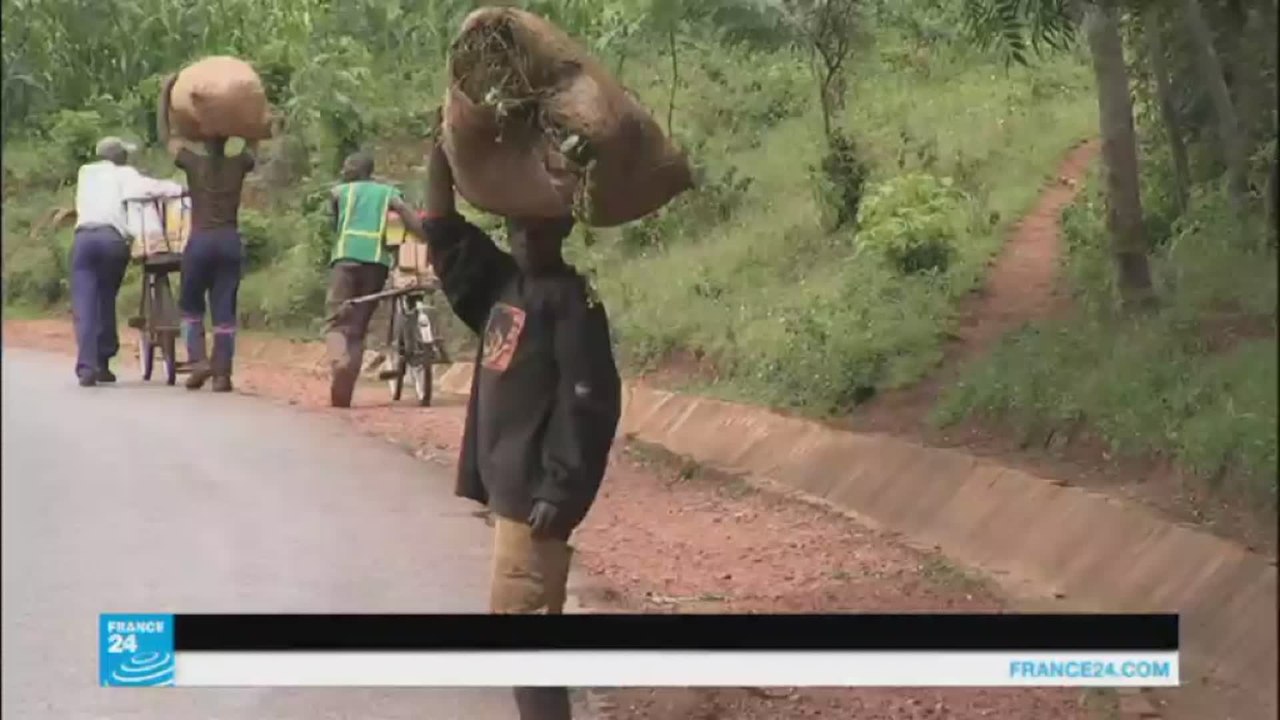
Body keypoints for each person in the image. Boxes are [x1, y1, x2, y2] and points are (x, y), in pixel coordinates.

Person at [421, 140, 622, 720]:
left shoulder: (572, 303)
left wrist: (560, 489)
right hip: (511, 494)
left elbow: (589, 403)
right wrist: (442, 150)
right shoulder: (502, 287)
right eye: (517, 230)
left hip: (536, 497)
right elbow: (442, 229)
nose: (526, 241)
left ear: (561, 232)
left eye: (540, 231)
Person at [159, 75, 256, 393]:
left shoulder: (193, 163)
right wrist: (249, 110)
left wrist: (164, 96)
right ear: (229, 140)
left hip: (200, 241)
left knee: (190, 306)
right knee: (224, 309)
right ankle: (222, 374)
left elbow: (167, 138)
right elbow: (255, 139)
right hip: (229, 240)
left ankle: (198, 360)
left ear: (202, 140)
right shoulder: (239, 164)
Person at [324, 151, 428, 408]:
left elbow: (335, 223)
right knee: (358, 329)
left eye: (349, 164)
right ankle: (342, 397)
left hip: (345, 259)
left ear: (358, 169)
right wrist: (426, 237)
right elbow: (406, 217)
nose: (345, 168)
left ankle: (340, 361)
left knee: (337, 321)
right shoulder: (388, 194)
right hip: (376, 264)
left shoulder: (340, 192)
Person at [70, 137, 157, 387]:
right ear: (120, 157)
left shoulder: (85, 172)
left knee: (85, 306)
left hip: (84, 239)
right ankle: (104, 360)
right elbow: (149, 189)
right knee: (105, 298)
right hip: (112, 241)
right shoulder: (125, 174)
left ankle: (87, 368)